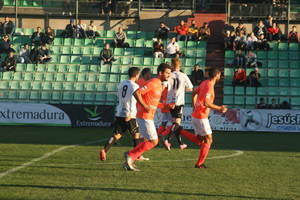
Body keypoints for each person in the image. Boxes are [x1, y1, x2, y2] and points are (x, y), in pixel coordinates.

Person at [123, 63, 172, 171]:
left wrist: (166, 106)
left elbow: (153, 102)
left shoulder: (159, 84)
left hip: (147, 116)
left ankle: (130, 159)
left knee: (146, 141)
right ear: (160, 73)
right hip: (144, 116)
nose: (169, 75)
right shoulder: (154, 82)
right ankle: (130, 155)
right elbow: (137, 93)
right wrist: (145, 106)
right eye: (167, 73)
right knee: (154, 141)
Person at [176, 68, 227, 168]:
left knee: (200, 140)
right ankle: (199, 164)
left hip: (197, 115)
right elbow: (207, 103)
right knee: (208, 140)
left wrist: (194, 103)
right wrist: (220, 108)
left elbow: (195, 92)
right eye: (220, 74)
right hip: (201, 117)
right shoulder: (209, 86)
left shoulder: (205, 82)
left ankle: (179, 130)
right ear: (216, 75)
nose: (220, 76)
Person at [99, 67, 148, 161]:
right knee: (136, 135)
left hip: (119, 112)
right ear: (137, 75)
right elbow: (136, 98)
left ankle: (104, 150)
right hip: (129, 114)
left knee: (117, 134)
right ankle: (136, 155)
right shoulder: (135, 86)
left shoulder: (122, 83)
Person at [162, 58, 193, 151]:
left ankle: (181, 144)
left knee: (176, 124)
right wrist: (182, 89)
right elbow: (191, 88)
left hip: (169, 102)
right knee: (176, 124)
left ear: (172, 65)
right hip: (179, 101)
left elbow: (164, 85)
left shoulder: (169, 75)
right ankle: (167, 140)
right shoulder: (183, 75)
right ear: (179, 65)